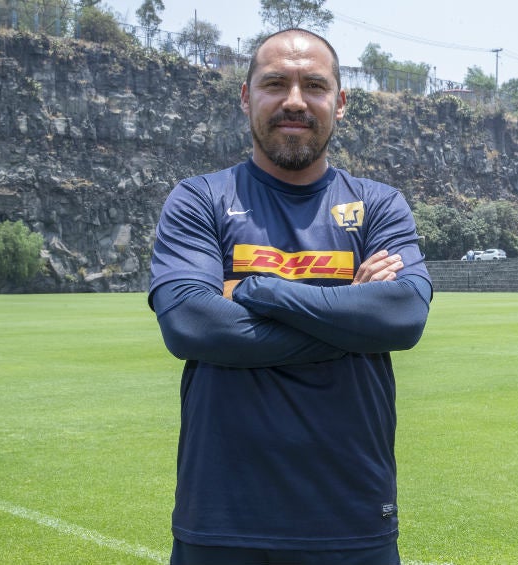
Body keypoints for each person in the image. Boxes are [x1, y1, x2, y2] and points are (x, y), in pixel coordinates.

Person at [147, 27, 432, 565]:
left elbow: (404, 315)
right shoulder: (200, 199)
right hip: (222, 519)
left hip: (351, 517)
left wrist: (257, 289)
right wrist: (350, 320)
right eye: (275, 83)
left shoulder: (380, 205)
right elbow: (192, 325)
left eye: (315, 86)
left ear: (340, 102)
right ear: (247, 95)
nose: (295, 101)